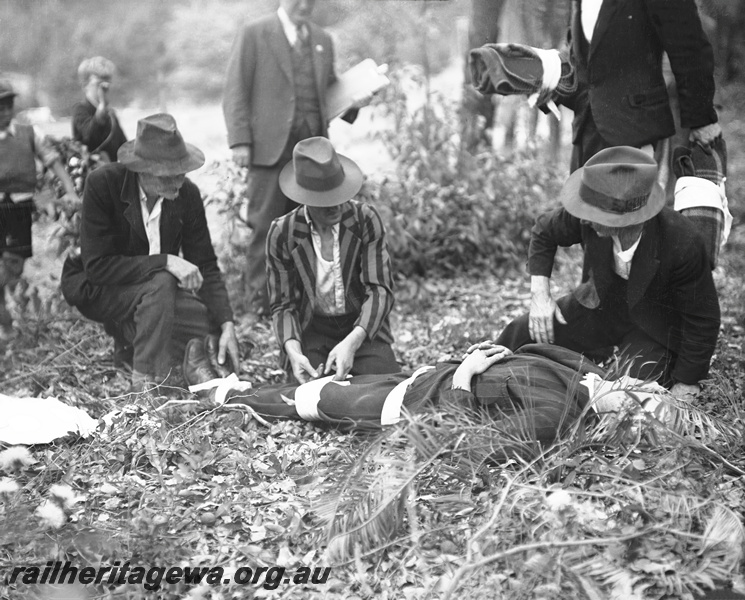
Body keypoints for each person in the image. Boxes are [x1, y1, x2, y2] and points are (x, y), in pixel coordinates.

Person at [496, 146, 720, 400]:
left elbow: (702, 318)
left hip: (654, 326)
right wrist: (540, 295)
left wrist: (687, 381)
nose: (584, 219)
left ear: (627, 218)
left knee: (625, 390)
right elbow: (544, 231)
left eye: (593, 215)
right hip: (601, 305)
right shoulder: (586, 213)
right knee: (522, 330)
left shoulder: (682, 241)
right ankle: (469, 378)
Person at [183, 335, 607, 453]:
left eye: (638, 400)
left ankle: (215, 394)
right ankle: (232, 387)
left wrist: (464, 378)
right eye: (641, 389)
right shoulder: (587, 375)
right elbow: (525, 352)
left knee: (309, 403)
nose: (630, 390)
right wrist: (494, 357)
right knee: (318, 386)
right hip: (423, 379)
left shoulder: (557, 415)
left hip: (411, 409)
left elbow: (471, 442)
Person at [60, 113, 239, 390]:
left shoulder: (186, 194)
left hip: (155, 296)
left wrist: (227, 323)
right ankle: (144, 381)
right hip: (101, 288)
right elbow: (97, 268)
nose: (179, 181)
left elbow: (205, 264)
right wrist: (166, 261)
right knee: (162, 283)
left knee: (203, 318)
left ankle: (130, 335)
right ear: (141, 170)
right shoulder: (103, 184)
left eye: (182, 171)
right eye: (170, 174)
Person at [222, 0, 357, 318]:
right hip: (269, 150)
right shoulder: (255, 33)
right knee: (265, 228)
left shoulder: (322, 39)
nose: (305, 5)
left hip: (313, 154)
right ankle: (259, 305)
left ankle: (306, 304)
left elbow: (330, 92)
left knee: (311, 228)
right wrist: (240, 141)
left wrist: (357, 100)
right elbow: (236, 89)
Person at [267, 137, 399, 383]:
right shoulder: (283, 233)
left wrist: (353, 341)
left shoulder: (364, 220)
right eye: (325, 201)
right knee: (314, 389)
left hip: (360, 325)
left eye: (339, 195)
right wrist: (293, 351)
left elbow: (380, 289)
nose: (336, 205)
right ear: (304, 198)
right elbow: (283, 305)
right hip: (313, 329)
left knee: (384, 386)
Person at [563, 0, 721, 171]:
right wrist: (549, 77)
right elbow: (578, 48)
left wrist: (702, 121)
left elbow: (689, 48)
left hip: (633, 128)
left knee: (631, 196)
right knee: (578, 196)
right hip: (585, 125)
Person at [0, 78, 80, 340]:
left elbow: (53, 161)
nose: (3, 111)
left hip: (19, 208)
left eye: (7, 105)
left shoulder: (28, 133)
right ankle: (7, 327)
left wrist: (69, 190)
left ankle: (7, 325)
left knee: (13, 266)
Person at [72, 57, 127, 163]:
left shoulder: (110, 114)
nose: (105, 89)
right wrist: (101, 110)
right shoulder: (80, 110)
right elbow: (89, 136)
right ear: (85, 85)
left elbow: (123, 145)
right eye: (99, 84)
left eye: (107, 84)